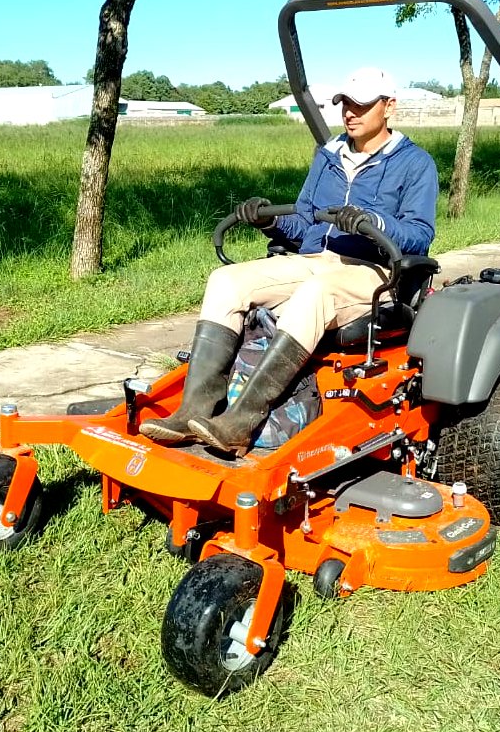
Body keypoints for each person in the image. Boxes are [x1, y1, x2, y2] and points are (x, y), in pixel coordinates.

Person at [139, 66, 439, 454]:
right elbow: (304, 220)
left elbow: (419, 235)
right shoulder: (329, 156)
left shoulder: (415, 163)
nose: (351, 112)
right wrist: (271, 220)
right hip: (316, 258)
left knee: (316, 292)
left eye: (362, 105)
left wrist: (373, 222)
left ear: (388, 107)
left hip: (376, 270)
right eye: (346, 103)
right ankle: (194, 410)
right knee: (226, 281)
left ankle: (240, 422)